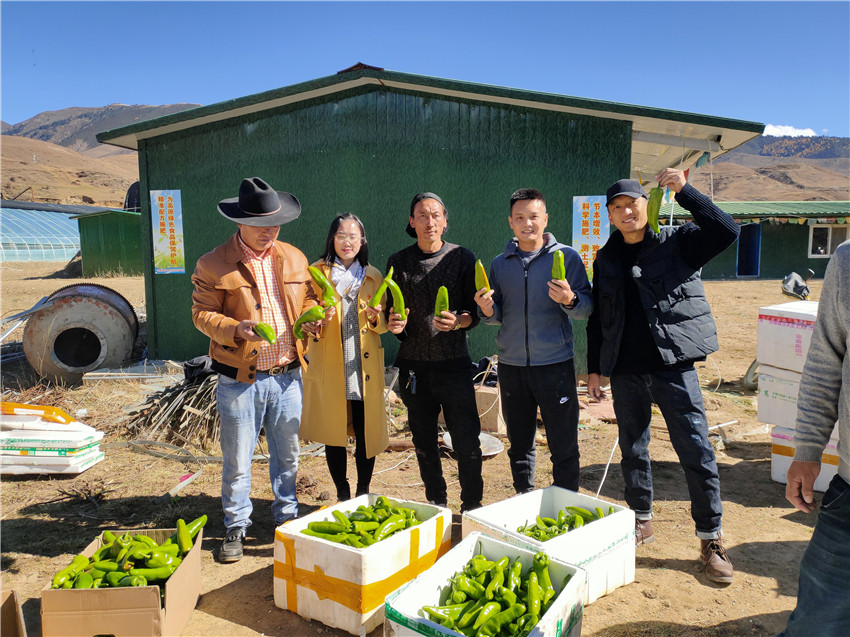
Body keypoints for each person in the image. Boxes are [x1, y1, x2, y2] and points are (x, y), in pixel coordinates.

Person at [586, 168, 739, 584]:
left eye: (632, 203)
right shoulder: (606, 258)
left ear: (646, 205)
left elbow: (727, 230)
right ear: (610, 215)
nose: (626, 212)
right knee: (633, 449)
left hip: (673, 366)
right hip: (626, 370)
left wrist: (686, 191)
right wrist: (595, 368)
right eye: (617, 207)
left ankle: (710, 538)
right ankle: (641, 520)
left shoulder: (679, 242)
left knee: (696, 450)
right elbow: (600, 317)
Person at [191, 176, 320, 563]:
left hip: (287, 376)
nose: (270, 232)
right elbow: (202, 314)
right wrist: (235, 328)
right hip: (240, 379)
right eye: (261, 226)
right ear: (240, 222)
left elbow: (309, 300)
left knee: (288, 455)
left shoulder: (294, 258)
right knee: (237, 459)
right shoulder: (213, 263)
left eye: (275, 224)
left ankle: (286, 519)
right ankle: (236, 525)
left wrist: (314, 318)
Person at [474, 188, 592, 493]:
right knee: (519, 444)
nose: (527, 223)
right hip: (512, 366)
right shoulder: (500, 264)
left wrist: (570, 300)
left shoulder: (567, 257)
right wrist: (486, 309)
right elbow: (497, 314)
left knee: (563, 443)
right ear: (510, 222)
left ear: (546, 219)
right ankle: (523, 497)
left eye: (534, 216)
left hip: (555, 365)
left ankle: (566, 501)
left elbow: (587, 307)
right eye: (520, 217)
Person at [387, 192, 483, 513]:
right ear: (412, 222)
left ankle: (472, 505)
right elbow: (392, 315)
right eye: (422, 215)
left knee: (467, 439)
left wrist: (458, 321)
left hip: (454, 365)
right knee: (424, 442)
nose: (430, 221)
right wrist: (395, 325)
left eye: (435, 215)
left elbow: (473, 313)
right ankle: (436, 502)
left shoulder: (462, 258)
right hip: (414, 369)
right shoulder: (398, 262)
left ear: (445, 221)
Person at [300, 213, 404, 501]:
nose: (347, 242)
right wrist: (315, 321)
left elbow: (382, 326)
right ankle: (342, 492)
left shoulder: (373, 276)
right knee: (333, 432)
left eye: (353, 236)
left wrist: (375, 318)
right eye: (341, 236)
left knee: (365, 430)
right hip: (330, 365)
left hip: (362, 366)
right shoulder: (315, 273)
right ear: (332, 239)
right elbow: (305, 312)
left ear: (362, 241)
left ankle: (363, 491)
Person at [779, 240, 850, 635]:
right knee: (816, 622)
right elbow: (826, 364)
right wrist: (807, 449)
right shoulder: (847, 261)